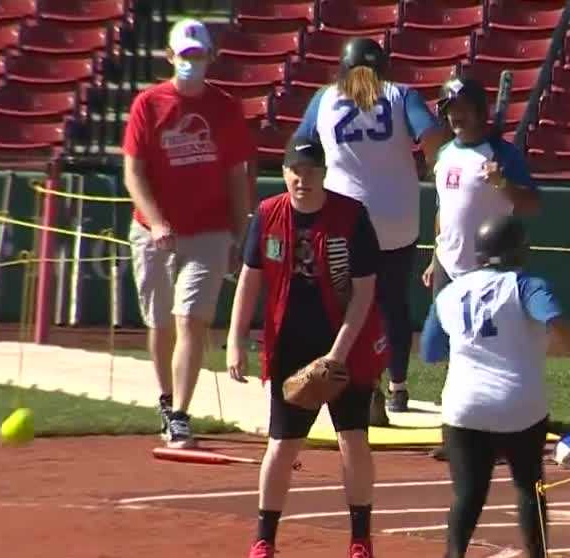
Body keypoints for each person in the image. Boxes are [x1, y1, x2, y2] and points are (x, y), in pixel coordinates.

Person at [225, 135, 389, 558]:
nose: (303, 179)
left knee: (353, 438)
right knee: (282, 444)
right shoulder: (267, 214)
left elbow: (364, 293)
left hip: (347, 345)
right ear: (284, 173)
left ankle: (360, 539)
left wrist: (337, 354)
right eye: (296, 171)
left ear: (324, 173)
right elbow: (250, 279)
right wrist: (234, 339)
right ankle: (264, 539)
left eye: (312, 171)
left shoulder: (351, 216)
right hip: (290, 345)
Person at [420, 215, 570, 558]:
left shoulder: (450, 293)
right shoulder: (527, 285)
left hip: (463, 408)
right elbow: (556, 321)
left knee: (468, 494)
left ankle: (453, 555)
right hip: (519, 406)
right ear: (518, 251)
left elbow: (430, 351)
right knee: (529, 486)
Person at [295, 37, 451, 421]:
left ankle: (362, 385)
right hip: (397, 215)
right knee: (393, 304)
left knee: (349, 306)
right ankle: (398, 386)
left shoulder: (325, 98)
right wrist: (431, 168)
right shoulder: (400, 95)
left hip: (345, 217)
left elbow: (301, 147)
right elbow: (433, 140)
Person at [123, 18, 253, 448]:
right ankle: (165, 399)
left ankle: (180, 413)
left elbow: (236, 175)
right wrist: (157, 220)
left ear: (211, 57)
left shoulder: (225, 108)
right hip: (154, 231)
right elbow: (134, 173)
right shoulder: (148, 104)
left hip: (209, 230)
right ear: (170, 56)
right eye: (184, 55)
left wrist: (240, 233)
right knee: (160, 323)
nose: (191, 63)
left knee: (191, 319)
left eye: (198, 55)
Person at [422, 76, 542, 461]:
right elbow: (443, 211)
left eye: (462, 109)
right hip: (449, 266)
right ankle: (462, 433)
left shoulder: (502, 156)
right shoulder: (444, 155)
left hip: (488, 272)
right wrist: (434, 257)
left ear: (479, 111)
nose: (455, 116)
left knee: (487, 353)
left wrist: (501, 182)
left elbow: (531, 205)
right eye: (449, 110)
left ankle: (487, 434)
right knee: (436, 348)